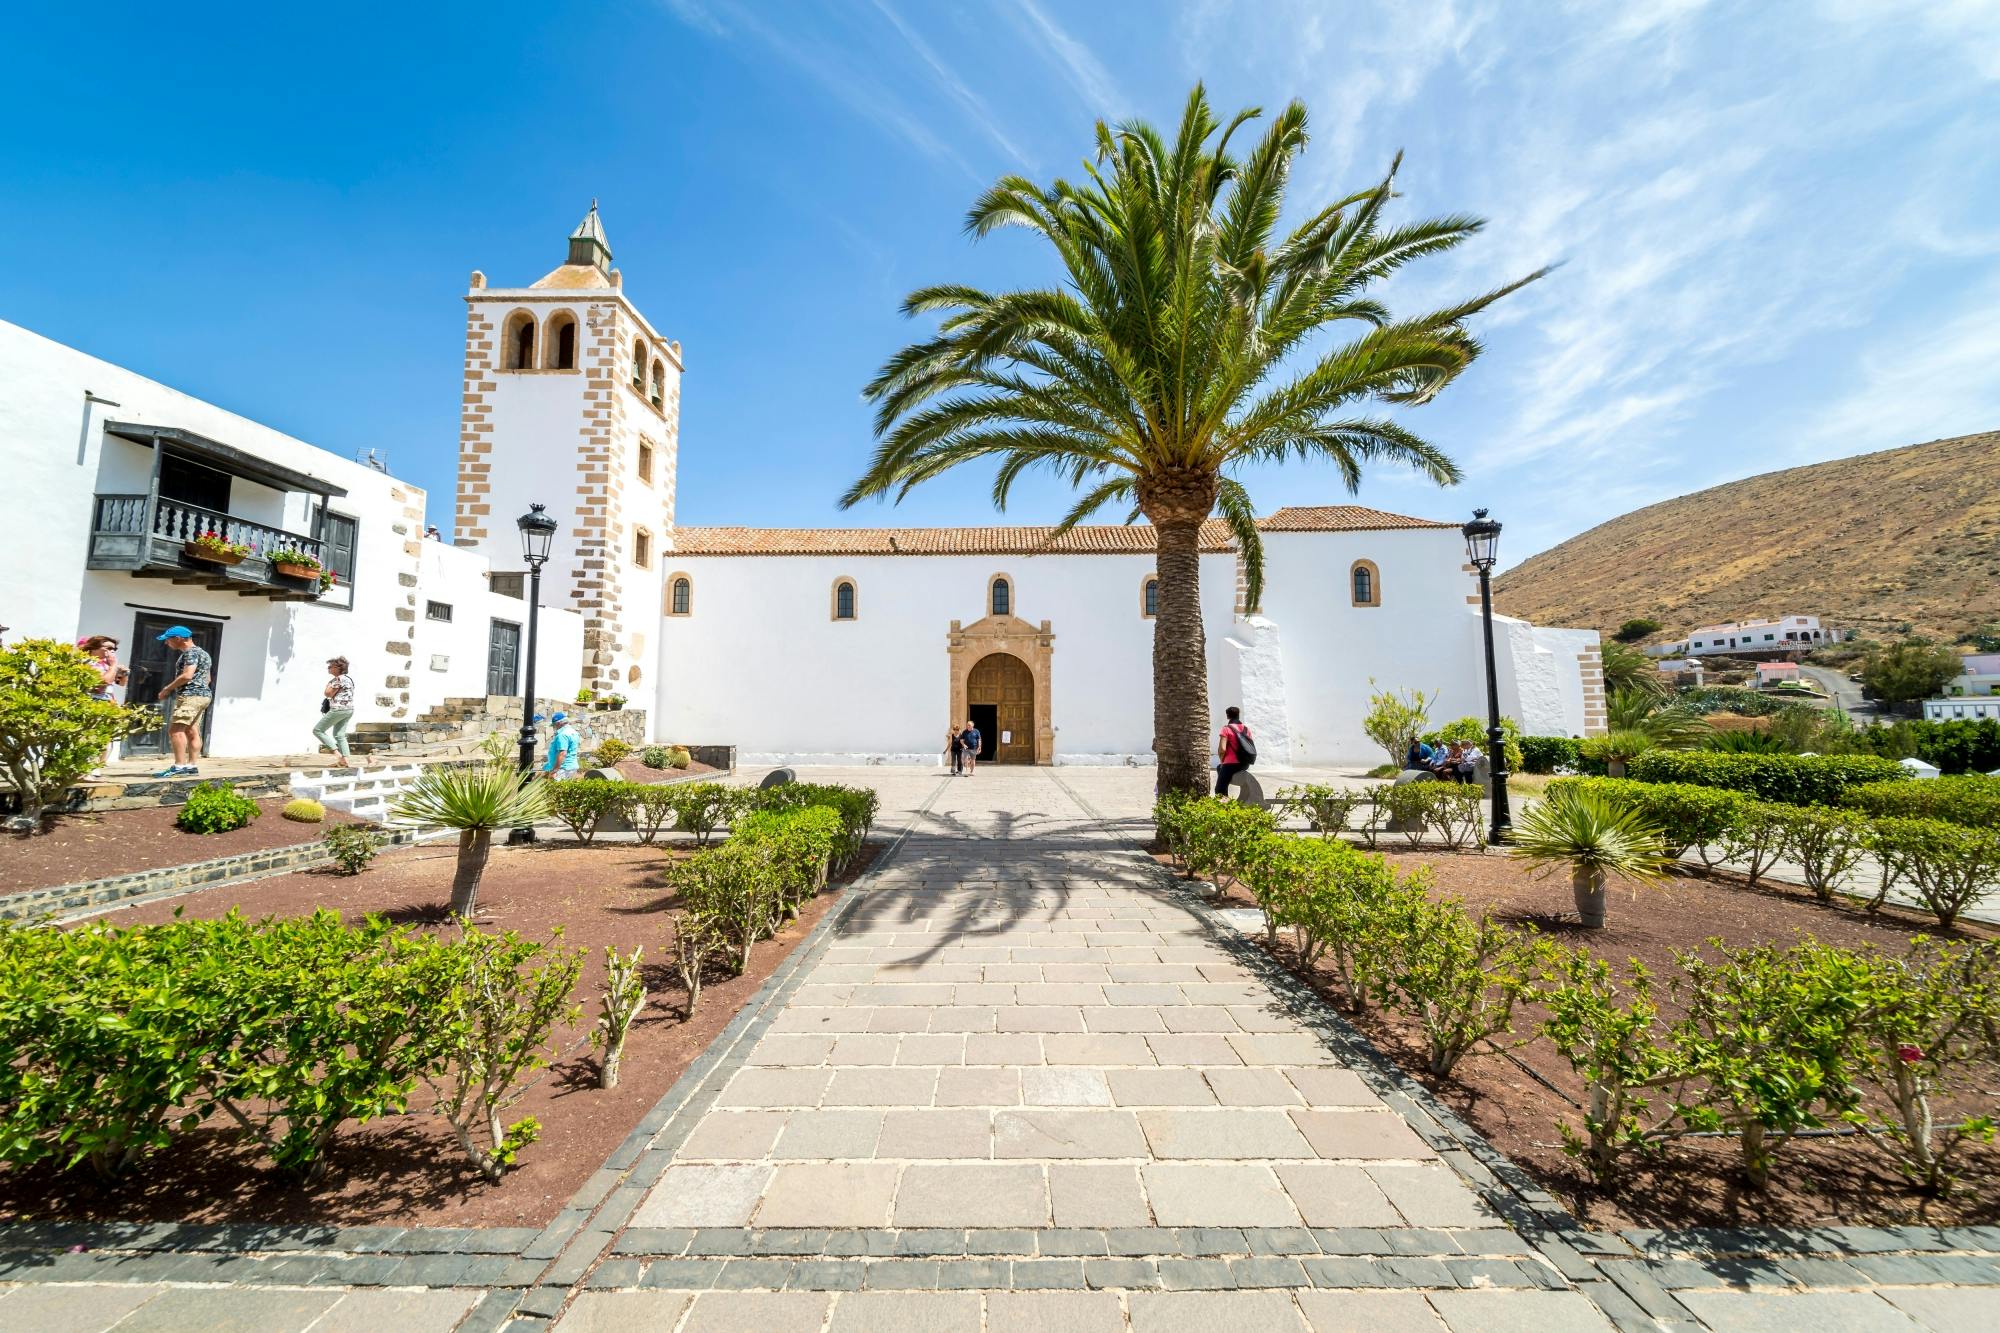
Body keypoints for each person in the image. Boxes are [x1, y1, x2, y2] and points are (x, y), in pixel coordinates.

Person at [152, 626, 212, 778]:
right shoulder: (204, 654)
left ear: (178, 638)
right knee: (192, 730)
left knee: (175, 730)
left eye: (168, 640)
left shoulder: (190, 653)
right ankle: (191, 766)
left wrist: (167, 689)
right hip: (203, 695)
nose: (166, 643)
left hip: (190, 696)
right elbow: (208, 679)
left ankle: (179, 766)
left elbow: (187, 675)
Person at [80, 635, 129, 772]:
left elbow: (120, 683)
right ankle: (86, 770)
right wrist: (113, 666)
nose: (112, 651)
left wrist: (123, 673)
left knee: (105, 738)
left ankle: (96, 769)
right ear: (94, 648)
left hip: (107, 702)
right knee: (90, 737)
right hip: (92, 702)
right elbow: (104, 682)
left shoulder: (105, 664)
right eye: (109, 648)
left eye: (114, 649)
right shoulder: (88, 663)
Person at [313, 656, 357, 768]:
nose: (328, 668)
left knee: (318, 730)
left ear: (338, 668)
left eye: (330, 666)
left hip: (338, 709)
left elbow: (328, 693)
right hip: (349, 709)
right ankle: (345, 760)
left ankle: (338, 755)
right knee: (339, 735)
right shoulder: (349, 679)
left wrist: (328, 685)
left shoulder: (338, 679)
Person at [1215, 705, 1253, 796]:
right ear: (1238, 715)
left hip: (1230, 765)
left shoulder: (1226, 729)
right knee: (1219, 768)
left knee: (1219, 790)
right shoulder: (1246, 729)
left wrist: (1222, 760)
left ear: (1227, 716)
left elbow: (1222, 749)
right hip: (1244, 764)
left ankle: (1225, 803)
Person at [543, 710, 582, 780]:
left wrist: (555, 770)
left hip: (562, 769)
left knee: (556, 787)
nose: (554, 727)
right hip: (571, 767)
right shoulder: (573, 732)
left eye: (554, 725)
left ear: (558, 723)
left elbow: (562, 753)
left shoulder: (562, 735)